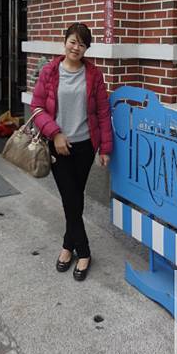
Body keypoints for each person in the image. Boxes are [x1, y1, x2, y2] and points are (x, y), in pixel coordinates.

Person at [30, 23, 113, 281]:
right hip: (58, 146)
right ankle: (84, 251)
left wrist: (105, 148)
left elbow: (103, 112)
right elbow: (37, 107)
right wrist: (55, 133)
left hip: (85, 146)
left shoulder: (94, 75)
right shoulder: (49, 71)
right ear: (65, 41)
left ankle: (68, 245)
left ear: (87, 48)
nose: (76, 47)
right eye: (73, 41)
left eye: (82, 44)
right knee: (70, 198)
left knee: (74, 198)